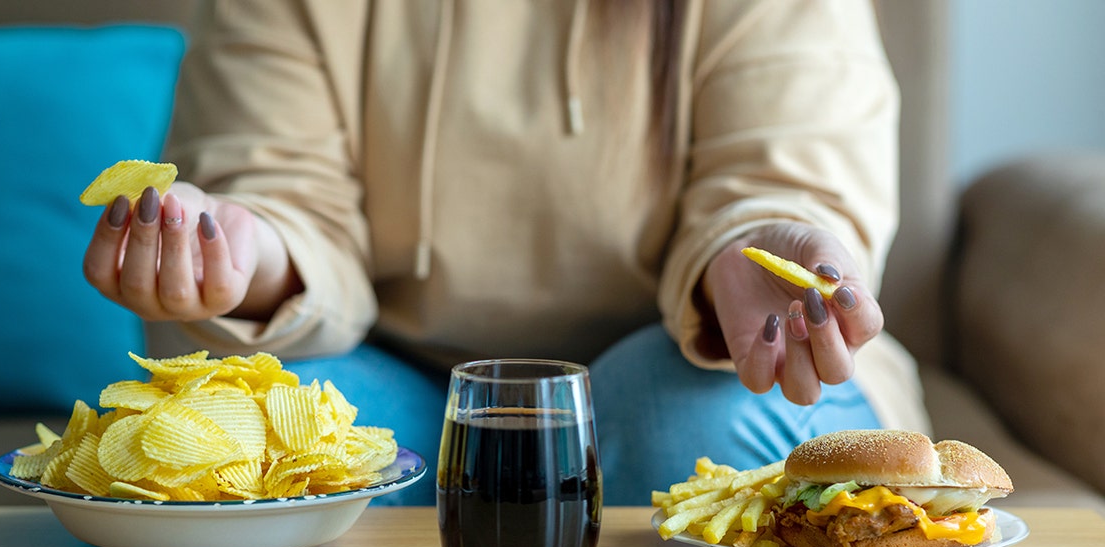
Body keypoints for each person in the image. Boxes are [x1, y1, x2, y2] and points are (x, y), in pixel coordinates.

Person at [82, 0, 930, 506]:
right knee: (266, 434)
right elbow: (282, 187)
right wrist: (241, 252)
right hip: (407, 377)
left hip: (684, 370)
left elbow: (785, 167)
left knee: (673, 418)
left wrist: (752, 254)